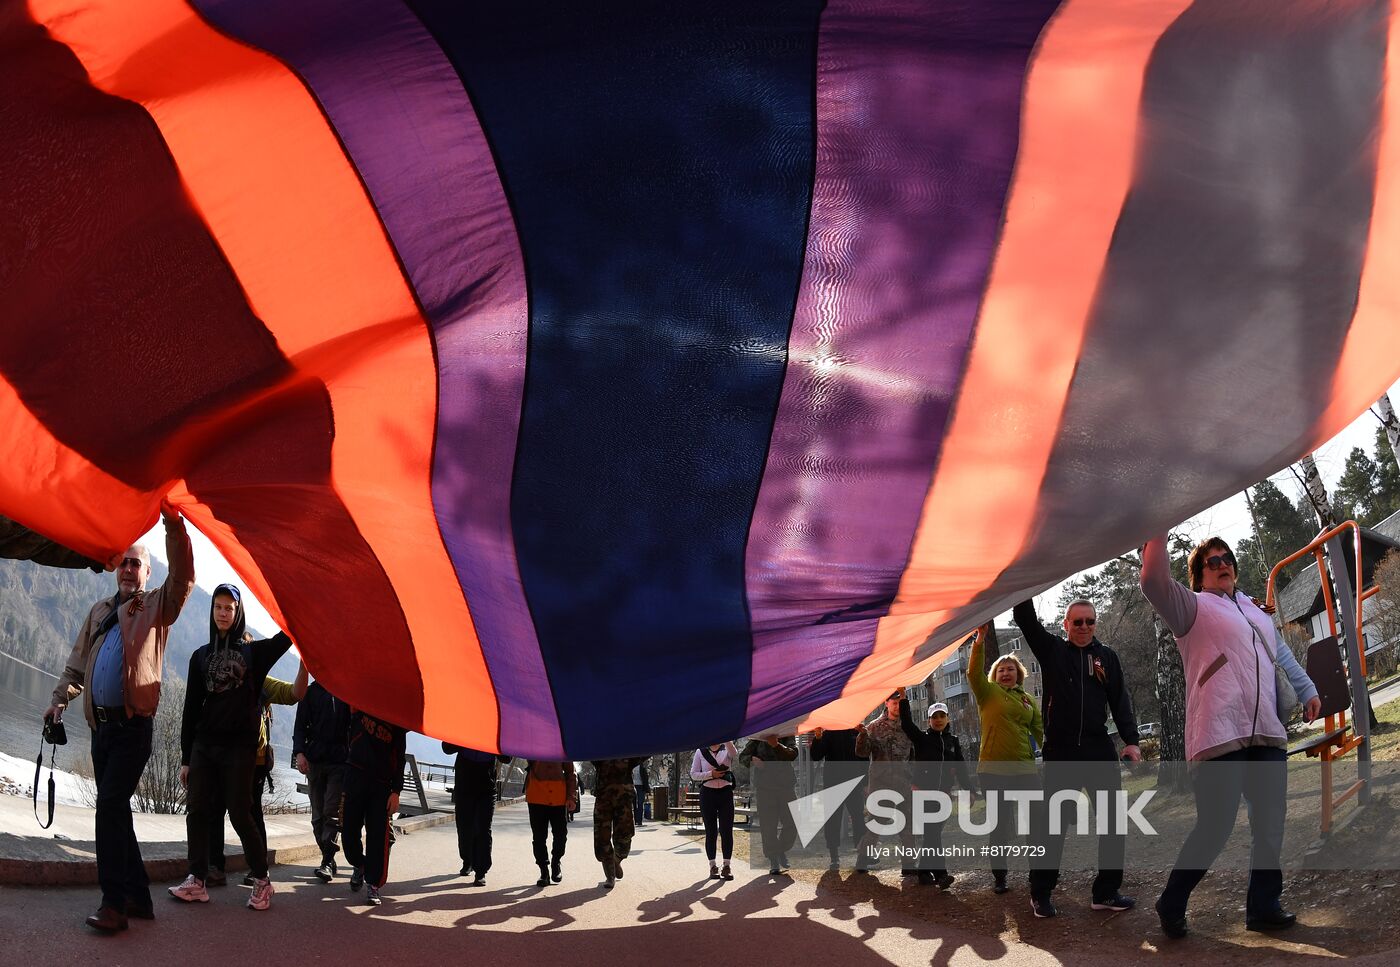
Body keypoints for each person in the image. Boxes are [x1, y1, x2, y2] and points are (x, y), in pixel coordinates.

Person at [1141, 534, 1320, 939]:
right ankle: (1172, 901)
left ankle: (1263, 906)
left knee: (1271, 823)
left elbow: (1280, 653)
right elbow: (1152, 582)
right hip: (1219, 733)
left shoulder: (1254, 610)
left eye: (1227, 558)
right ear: (1199, 575)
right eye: (1212, 561)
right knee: (1215, 828)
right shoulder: (1191, 607)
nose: (1223, 564)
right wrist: (1157, 528)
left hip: (1267, 732)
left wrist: (1306, 689)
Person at [45, 502, 194, 932]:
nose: (129, 569)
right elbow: (76, 666)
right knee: (117, 812)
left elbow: (183, 579)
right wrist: (59, 699)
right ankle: (140, 898)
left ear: (147, 573)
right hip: (100, 729)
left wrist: (172, 524)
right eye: (124, 563)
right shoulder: (97, 611)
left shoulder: (156, 608)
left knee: (108, 806)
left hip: (133, 728)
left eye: (137, 564)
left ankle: (113, 903)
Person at [1012, 597, 1141, 918]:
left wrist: (1132, 741)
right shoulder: (1052, 650)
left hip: (1099, 749)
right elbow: (1024, 618)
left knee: (1113, 823)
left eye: (1090, 621)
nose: (1084, 627)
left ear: (1096, 624)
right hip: (1062, 752)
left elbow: (1120, 700)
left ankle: (1106, 892)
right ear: (1066, 624)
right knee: (1052, 826)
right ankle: (1040, 892)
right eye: (1078, 622)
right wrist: (1030, 576)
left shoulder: (1107, 657)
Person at [169, 585, 292, 911]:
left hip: (239, 750)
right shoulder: (200, 656)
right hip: (204, 746)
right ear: (213, 612)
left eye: (229, 608)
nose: (223, 613)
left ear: (238, 613)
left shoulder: (255, 654)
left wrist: (299, 603)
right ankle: (197, 879)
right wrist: (186, 757)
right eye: (218, 607)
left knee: (240, 813)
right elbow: (190, 709)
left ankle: (262, 880)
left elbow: (287, 636)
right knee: (197, 811)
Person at [207, 664, 308, 888]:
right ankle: (215, 867)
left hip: (254, 760)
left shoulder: (261, 679)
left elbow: (293, 694)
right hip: (221, 757)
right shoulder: (216, 673)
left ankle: (258, 867)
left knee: (251, 812)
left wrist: (303, 668)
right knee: (215, 808)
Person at [969, 624, 1043, 896]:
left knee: (1034, 822)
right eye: (1001, 669)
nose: (1006, 672)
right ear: (995, 675)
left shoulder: (1027, 700)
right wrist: (979, 642)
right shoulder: (987, 693)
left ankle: (1038, 875)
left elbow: (1039, 730)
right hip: (993, 770)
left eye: (1011, 669)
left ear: (1019, 674)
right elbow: (973, 673)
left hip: (1025, 768)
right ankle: (1000, 876)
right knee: (1001, 824)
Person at [900, 699, 974, 888]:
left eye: (942, 716)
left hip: (943, 796)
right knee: (933, 835)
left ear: (948, 719)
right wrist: (903, 699)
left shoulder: (953, 741)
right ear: (928, 721)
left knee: (932, 835)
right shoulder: (922, 738)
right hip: (923, 794)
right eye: (934, 717)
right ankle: (941, 874)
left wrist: (970, 790)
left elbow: (961, 768)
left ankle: (924, 871)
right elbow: (907, 724)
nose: (939, 720)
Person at [341, 707, 407, 906]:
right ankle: (359, 864)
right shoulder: (359, 700)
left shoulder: (398, 717)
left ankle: (373, 884)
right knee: (348, 831)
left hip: (381, 785)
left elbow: (400, 757)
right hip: (354, 775)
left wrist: (396, 791)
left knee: (378, 837)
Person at [292, 677, 351, 883]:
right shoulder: (310, 692)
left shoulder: (347, 691)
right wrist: (299, 753)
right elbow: (299, 726)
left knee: (331, 813)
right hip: (315, 762)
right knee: (317, 817)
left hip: (339, 763)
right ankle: (328, 856)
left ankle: (326, 860)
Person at [854, 688, 918, 875]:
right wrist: (862, 735)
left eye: (900, 702)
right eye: (894, 702)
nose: (897, 705)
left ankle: (908, 864)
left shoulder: (908, 727)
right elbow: (862, 753)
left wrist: (915, 779)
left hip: (903, 782)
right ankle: (863, 859)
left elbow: (914, 756)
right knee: (877, 821)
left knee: (907, 823)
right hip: (881, 782)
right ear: (887, 703)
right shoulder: (874, 727)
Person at [443, 743, 512, 885]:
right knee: (464, 827)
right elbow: (446, 748)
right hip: (464, 785)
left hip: (486, 787)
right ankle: (467, 860)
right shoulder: (462, 724)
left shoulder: (495, 729)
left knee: (483, 829)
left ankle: (480, 871)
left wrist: (495, 744)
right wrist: (462, 737)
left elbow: (507, 758)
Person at [808, 725, 868, 870]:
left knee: (858, 818)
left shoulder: (856, 732)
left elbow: (864, 758)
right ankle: (834, 857)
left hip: (854, 783)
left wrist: (866, 782)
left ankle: (862, 857)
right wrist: (817, 738)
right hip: (833, 783)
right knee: (832, 819)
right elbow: (815, 756)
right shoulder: (828, 733)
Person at [739, 734, 799, 875]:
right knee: (768, 826)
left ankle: (780, 850)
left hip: (786, 786)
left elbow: (792, 754)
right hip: (765, 789)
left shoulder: (787, 734)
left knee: (793, 822)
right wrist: (752, 760)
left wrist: (776, 745)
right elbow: (743, 757)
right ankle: (774, 859)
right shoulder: (758, 737)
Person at [592, 757, 646, 888]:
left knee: (625, 837)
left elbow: (645, 751)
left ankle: (616, 860)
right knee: (602, 839)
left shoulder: (626, 747)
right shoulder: (599, 747)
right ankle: (610, 876)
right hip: (603, 798)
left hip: (624, 799)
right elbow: (585, 749)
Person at [689, 741, 739, 879]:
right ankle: (712, 866)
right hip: (708, 794)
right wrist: (711, 774)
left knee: (726, 830)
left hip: (725, 793)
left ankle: (727, 866)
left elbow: (735, 753)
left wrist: (728, 740)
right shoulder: (701, 751)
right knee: (711, 831)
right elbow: (693, 774)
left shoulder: (727, 749)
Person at [524, 759, 578, 887]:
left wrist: (571, 797)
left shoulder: (562, 744)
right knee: (539, 837)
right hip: (536, 795)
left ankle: (556, 861)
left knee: (561, 835)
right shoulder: (532, 742)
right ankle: (543, 871)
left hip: (558, 797)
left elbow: (571, 772)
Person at [632, 758, 650, 827]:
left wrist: (647, 790)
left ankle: (638, 821)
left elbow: (645, 779)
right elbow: (646, 778)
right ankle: (637, 820)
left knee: (639, 804)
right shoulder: (633, 767)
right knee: (636, 804)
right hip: (634, 786)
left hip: (640, 787)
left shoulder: (642, 768)